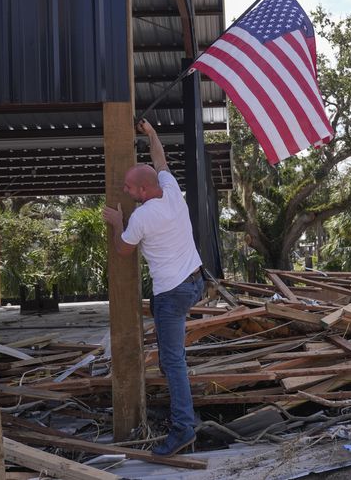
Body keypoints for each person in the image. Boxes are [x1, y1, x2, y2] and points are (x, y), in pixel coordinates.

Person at [102, 118, 203, 457]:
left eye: (129, 189)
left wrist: (118, 224)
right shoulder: (172, 190)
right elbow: (160, 161)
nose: (126, 192)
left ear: (143, 192)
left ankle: (183, 429)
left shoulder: (143, 217)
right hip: (193, 282)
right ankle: (185, 411)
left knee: (173, 363)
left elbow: (123, 250)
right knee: (172, 360)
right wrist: (151, 133)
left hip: (171, 295)